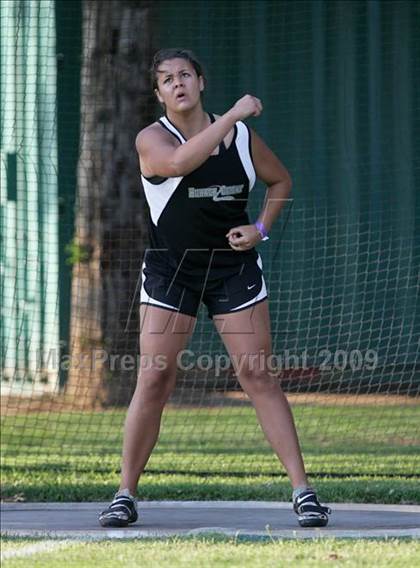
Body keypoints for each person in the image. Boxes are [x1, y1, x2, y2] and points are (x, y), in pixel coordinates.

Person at [99, 48, 331, 529]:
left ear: (201, 81)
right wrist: (232, 113)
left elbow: (281, 180)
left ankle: (303, 492)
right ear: (159, 93)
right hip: (172, 271)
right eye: (166, 79)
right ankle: (124, 493)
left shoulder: (243, 139)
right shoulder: (153, 138)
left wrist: (260, 229)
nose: (177, 83)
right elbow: (182, 162)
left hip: (232, 269)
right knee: (155, 377)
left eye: (185, 74)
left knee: (257, 376)